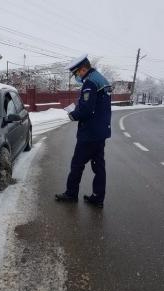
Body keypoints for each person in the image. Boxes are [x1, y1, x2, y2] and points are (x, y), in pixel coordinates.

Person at [55, 54, 112, 208]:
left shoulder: (90, 83)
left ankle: (71, 194)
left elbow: (87, 110)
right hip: (101, 132)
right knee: (98, 166)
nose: (76, 76)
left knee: (77, 164)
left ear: (83, 69)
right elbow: (97, 106)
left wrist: (74, 114)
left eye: (76, 73)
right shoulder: (101, 79)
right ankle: (98, 197)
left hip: (90, 134)